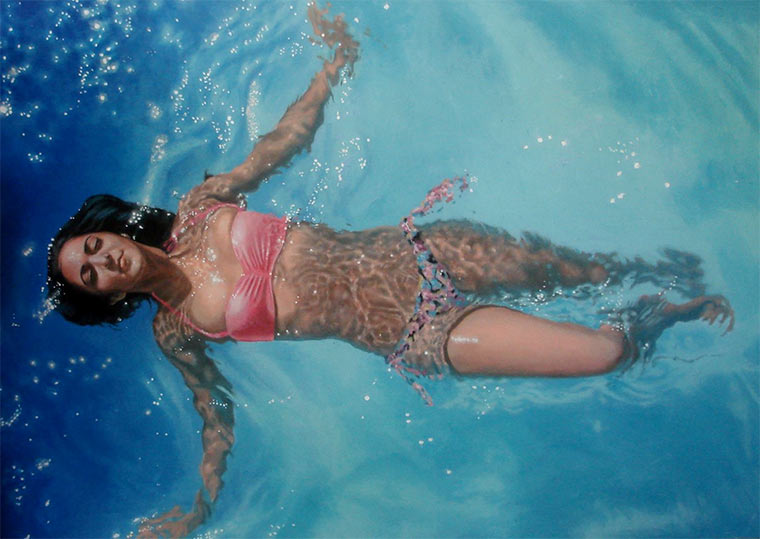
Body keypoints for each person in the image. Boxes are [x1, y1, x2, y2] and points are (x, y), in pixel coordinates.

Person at [45, 6, 734, 537]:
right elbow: (214, 417)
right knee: (606, 353)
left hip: (423, 251)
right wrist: (200, 506)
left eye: (94, 246)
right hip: (413, 332)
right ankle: (653, 318)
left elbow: (279, 145)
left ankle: (672, 277)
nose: (103, 260)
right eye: (91, 275)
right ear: (108, 298)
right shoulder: (177, 331)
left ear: (110, 228)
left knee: (589, 271)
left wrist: (334, 64)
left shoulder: (201, 207)